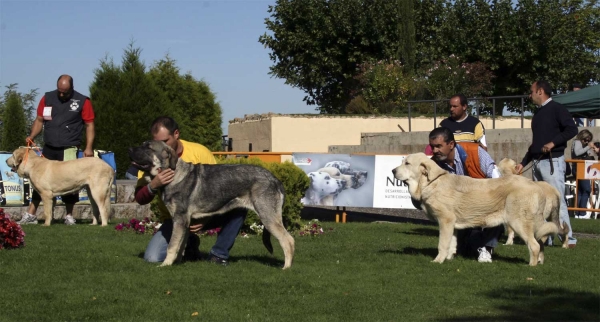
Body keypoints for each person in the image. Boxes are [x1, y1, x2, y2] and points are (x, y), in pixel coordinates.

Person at [134, 116, 246, 266]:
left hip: (206, 213)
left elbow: (219, 188)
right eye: (157, 142)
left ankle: (218, 254)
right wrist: (153, 185)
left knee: (240, 207)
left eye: (165, 141)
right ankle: (190, 244)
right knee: (152, 257)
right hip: (174, 220)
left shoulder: (199, 151)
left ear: (176, 134)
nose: (161, 146)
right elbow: (140, 198)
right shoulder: (151, 160)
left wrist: (204, 219)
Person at [18, 74, 95, 225]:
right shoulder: (47, 98)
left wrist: (89, 147)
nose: (61, 94)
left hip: (69, 147)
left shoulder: (82, 101)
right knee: (39, 182)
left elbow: (89, 125)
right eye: (59, 90)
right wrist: (32, 136)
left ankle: (69, 216)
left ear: (71, 88)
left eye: (64, 92)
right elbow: (39, 120)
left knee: (71, 181)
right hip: (49, 147)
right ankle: (31, 214)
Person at [515, 80, 578, 248]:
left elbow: (572, 129)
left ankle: (568, 238)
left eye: (532, 91)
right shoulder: (537, 115)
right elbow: (536, 143)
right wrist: (523, 162)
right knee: (540, 204)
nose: (530, 95)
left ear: (540, 91)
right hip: (537, 162)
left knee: (557, 201)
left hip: (552, 162)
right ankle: (546, 237)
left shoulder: (557, 109)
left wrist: (553, 143)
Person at [428, 127, 503, 263]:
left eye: (439, 146)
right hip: (461, 211)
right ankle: (473, 244)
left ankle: (487, 248)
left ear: (451, 144)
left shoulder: (475, 152)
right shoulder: (434, 164)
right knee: (465, 251)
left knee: (497, 216)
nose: (434, 151)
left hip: (486, 200)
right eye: (432, 147)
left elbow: (496, 179)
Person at [570, 129, 599, 219]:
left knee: (580, 190)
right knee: (587, 189)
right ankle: (582, 212)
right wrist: (588, 147)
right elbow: (577, 152)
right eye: (586, 139)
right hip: (579, 168)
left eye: (588, 140)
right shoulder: (577, 142)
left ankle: (578, 213)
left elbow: (586, 154)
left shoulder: (583, 144)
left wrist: (589, 150)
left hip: (582, 168)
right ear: (582, 136)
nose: (587, 142)